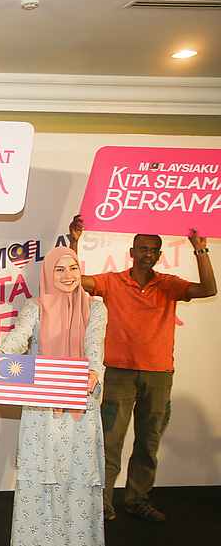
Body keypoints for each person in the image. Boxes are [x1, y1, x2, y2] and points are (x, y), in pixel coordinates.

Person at [68, 217, 216, 522]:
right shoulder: (113, 281)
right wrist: (74, 242)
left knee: (148, 441)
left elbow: (209, 289)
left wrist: (200, 250)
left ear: (159, 256)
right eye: (142, 248)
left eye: (153, 250)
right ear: (132, 251)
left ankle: (137, 499)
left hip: (159, 374)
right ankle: (102, 503)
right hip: (119, 373)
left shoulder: (169, 284)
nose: (147, 253)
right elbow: (74, 281)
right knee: (110, 440)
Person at [0, 247, 109, 546]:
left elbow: (94, 347)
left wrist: (92, 372)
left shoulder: (96, 307)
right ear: (48, 273)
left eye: (73, 268)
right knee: (42, 478)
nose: (68, 275)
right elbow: (19, 339)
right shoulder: (35, 307)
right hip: (42, 407)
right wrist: (3, 359)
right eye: (59, 269)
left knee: (77, 478)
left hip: (80, 404)